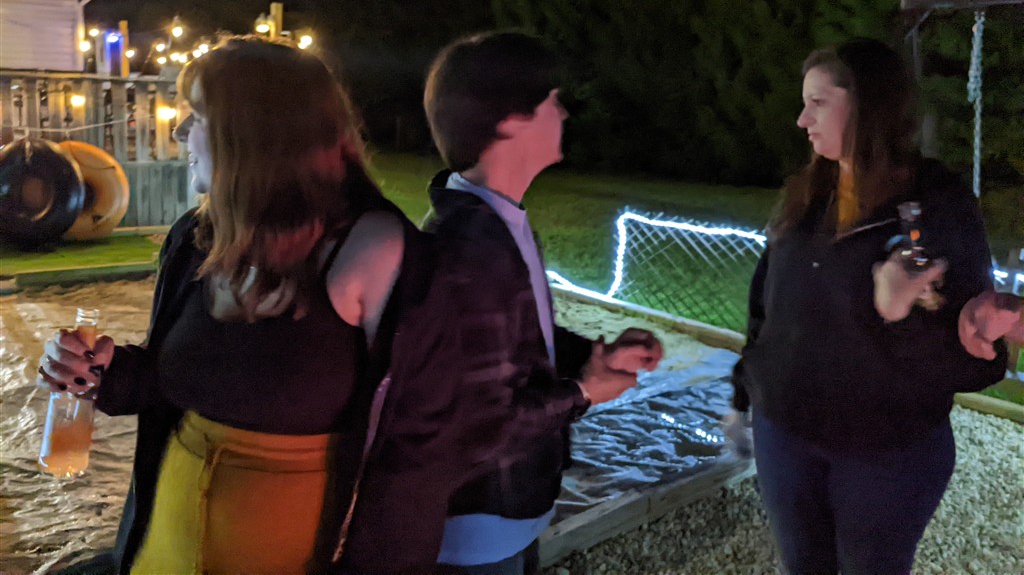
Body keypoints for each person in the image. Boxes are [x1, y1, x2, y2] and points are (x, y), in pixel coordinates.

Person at [39, 38, 460, 574]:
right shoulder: (197, 238)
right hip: (162, 551)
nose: (179, 132)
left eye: (197, 116)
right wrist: (101, 372)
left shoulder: (374, 250)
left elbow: (419, 453)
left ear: (257, 134)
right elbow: (174, 383)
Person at [729, 38, 1008, 575]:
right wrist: (746, 391)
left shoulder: (936, 207)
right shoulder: (807, 196)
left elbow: (975, 361)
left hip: (883, 452)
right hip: (784, 435)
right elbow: (767, 307)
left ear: (868, 106)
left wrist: (895, 313)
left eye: (818, 102)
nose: (801, 120)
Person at [421, 31, 663, 575]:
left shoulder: (495, 218)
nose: (565, 113)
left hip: (507, 510)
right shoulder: (468, 251)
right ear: (512, 121)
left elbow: (518, 344)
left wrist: (595, 355)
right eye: (553, 100)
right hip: (479, 525)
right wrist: (584, 392)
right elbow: (482, 422)